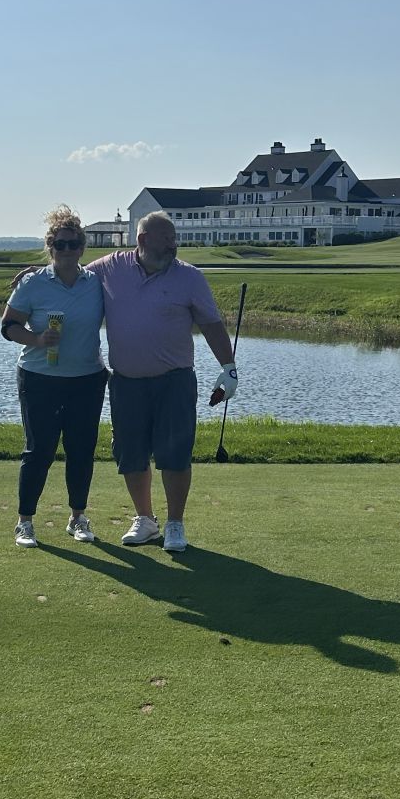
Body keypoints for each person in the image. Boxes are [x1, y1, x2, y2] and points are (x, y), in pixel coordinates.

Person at [94, 212, 239, 553]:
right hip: (126, 382)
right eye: (166, 239)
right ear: (143, 240)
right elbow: (70, 275)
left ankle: (175, 524)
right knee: (130, 453)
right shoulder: (110, 267)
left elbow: (211, 324)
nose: (173, 245)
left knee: (175, 453)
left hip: (174, 381)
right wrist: (39, 274)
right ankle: (145, 520)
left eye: (174, 239)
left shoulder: (189, 277)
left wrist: (229, 367)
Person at [0, 206, 107, 548]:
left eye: (73, 244)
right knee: (40, 450)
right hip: (39, 377)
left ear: (83, 247)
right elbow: (9, 326)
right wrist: (36, 339)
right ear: (50, 247)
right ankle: (25, 522)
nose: (67, 250)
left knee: (81, 450)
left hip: (87, 378)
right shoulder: (32, 283)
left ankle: (77, 518)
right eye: (60, 244)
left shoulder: (96, 283)